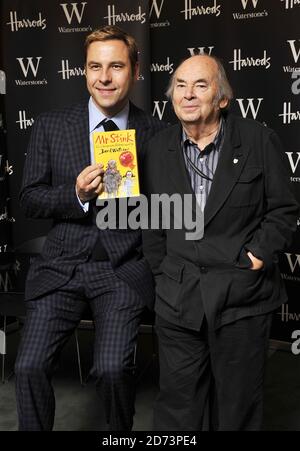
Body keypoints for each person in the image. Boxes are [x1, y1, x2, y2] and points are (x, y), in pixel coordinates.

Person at [15, 25, 166, 431]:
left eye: (116, 66)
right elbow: (29, 197)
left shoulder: (156, 133)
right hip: (61, 268)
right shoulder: (52, 125)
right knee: (27, 366)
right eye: (95, 66)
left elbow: (166, 214)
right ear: (83, 71)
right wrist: (76, 194)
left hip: (120, 271)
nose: (104, 77)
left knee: (114, 370)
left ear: (135, 71)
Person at [142, 54, 299, 431]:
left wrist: (258, 256)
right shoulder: (155, 148)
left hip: (241, 297)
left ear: (222, 98)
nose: (188, 95)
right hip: (177, 298)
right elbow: (149, 218)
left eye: (201, 85)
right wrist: (163, 272)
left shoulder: (259, 140)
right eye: (180, 85)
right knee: (179, 407)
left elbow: (283, 209)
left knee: (237, 408)